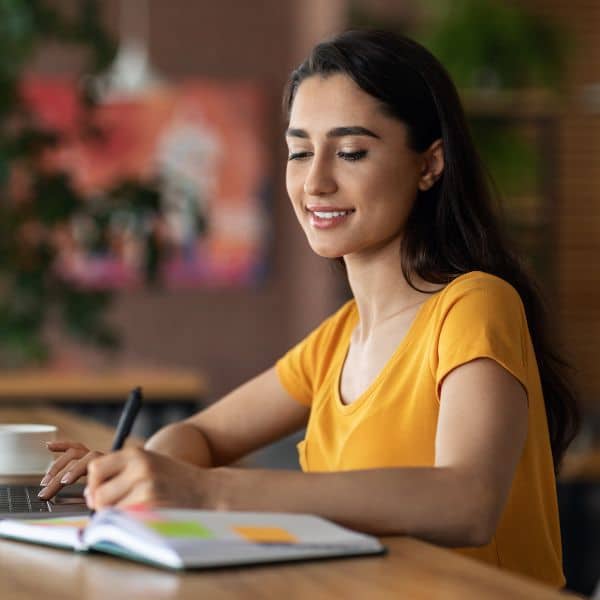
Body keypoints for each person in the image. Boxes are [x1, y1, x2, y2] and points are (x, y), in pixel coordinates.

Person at [39, 30, 579, 588]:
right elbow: (200, 435)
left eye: (350, 152)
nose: (315, 181)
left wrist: (204, 491)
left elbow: (467, 502)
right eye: (300, 151)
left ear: (429, 164)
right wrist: (152, 470)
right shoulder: (338, 339)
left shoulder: (475, 305)